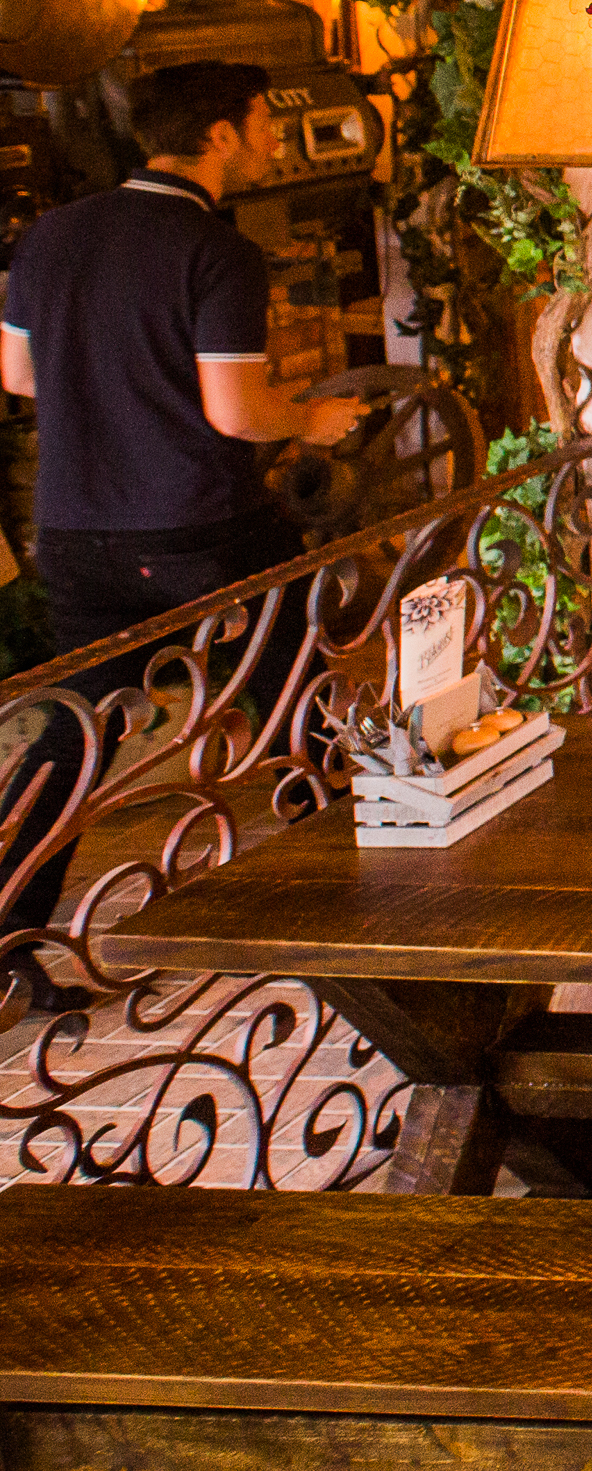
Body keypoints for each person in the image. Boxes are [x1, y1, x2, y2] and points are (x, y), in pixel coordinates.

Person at [0, 61, 367, 1010]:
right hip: (201, 528)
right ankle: (355, 925)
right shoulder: (216, 250)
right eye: (262, 120)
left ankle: (9, 931)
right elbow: (237, 410)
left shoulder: (50, 235)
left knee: (78, 737)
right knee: (297, 700)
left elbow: (20, 377)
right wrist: (314, 423)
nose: (276, 136)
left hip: (77, 530)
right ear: (218, 132)